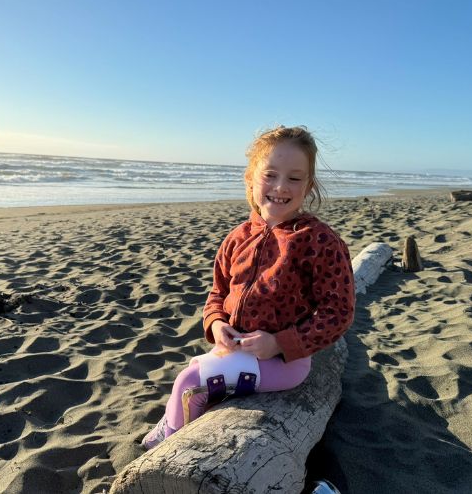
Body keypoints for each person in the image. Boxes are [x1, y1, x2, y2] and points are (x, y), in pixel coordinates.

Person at [142, 125, 356, 449]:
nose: (281, 187)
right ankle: (177, 424)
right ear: (251, 178)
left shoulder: (319, 241)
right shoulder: (239, 237)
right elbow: (217, 292)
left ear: (308, 185)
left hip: (283, 362)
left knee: (188, 383)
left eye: (294, 178)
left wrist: (280, 343)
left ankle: (165, 450)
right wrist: (215, 324)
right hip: (235, 347)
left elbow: (338, 311)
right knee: (197, 373)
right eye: (270, 175)